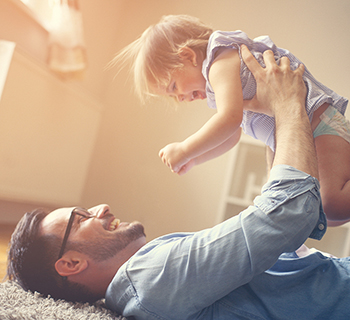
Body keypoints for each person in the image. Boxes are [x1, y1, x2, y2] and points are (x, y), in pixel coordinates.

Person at [7, 47, 349, 320]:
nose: (101, 207)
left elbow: (273, 235)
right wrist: (289, 104)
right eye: (80, 218)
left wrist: (276, 133)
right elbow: (288, 218)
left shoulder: (146, 283)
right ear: (71, 264)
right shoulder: (151, 276)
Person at [110, 14, 350, 226]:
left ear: (187, 56)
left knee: (332, 204)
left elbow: (229, 120)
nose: (181, 98)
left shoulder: (220, 61)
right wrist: (196, 158)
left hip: (320, 124)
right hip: (310, 133)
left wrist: (184, 148)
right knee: (324, 216)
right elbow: (231, 136)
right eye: (173, 97)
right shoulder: (220, 83)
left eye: (174, 86)